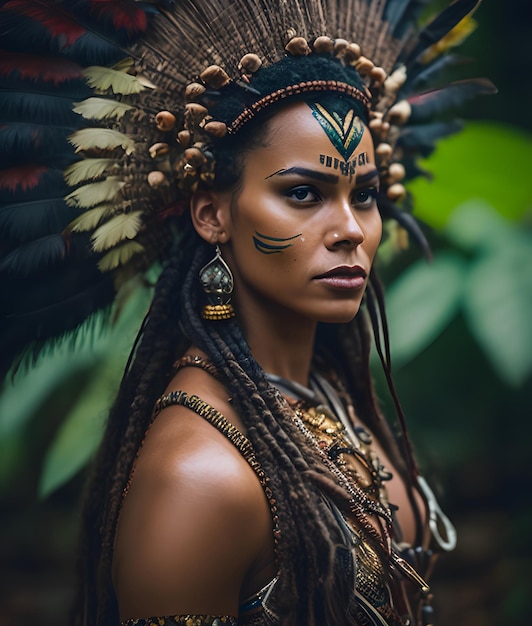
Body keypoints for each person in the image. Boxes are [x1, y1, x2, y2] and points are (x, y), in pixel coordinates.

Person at [0, 0, 493, 624]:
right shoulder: (199, 477)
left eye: (363, 194)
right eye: (303, 193)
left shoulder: (322, 390)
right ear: (213, 214)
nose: (349, 230)